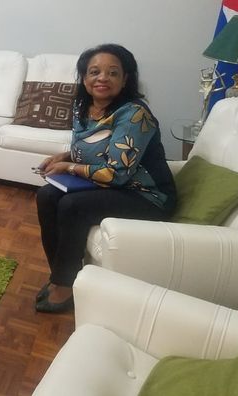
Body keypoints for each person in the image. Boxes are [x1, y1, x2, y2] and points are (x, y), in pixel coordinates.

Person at [34, 44, 177, 313]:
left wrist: (68, 167)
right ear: (84, 78)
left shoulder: (134, 114)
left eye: (113, 73)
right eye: (94, 72)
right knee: (46, 195)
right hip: (107, 184)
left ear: (125, 79)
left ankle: (65, 285)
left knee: (72, 206)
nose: (102, 78)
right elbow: (90, 148)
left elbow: (117, 173)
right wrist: (64, 156)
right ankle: (61, 275)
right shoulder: (83, 106)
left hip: (146, 194)